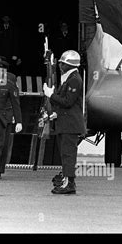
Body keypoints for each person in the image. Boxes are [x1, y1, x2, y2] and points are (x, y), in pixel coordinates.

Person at [43, 50, 86, 195]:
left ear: (69, 65)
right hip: (65, 123)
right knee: (65, 155)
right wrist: (55, 113)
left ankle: (69, 184)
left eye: (62, 64)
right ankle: (66, 181)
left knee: (68, 155)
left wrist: (51, 95)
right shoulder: (69, 78)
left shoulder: (74, 80)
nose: (60, 66)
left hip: (70, 125)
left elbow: (68, 102)